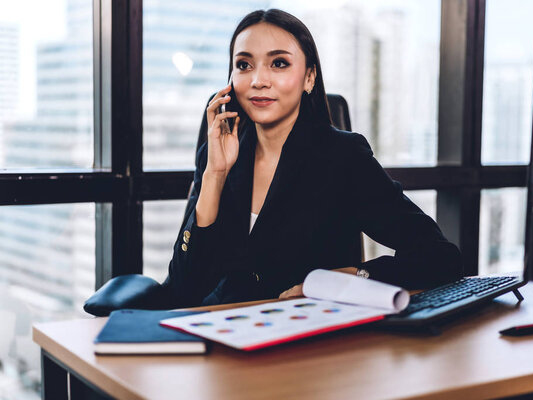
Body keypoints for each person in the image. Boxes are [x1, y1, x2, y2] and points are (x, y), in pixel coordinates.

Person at [160, 8, 463, 308]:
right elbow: (182, 290)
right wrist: (215, 174)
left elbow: (440, 257)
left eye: (278, 63)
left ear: (309, 78)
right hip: (223, 334)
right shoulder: (216, 156)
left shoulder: (343, 157)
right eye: (244, 65)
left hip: (309, 341)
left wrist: (354, 275)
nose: (259, 80)